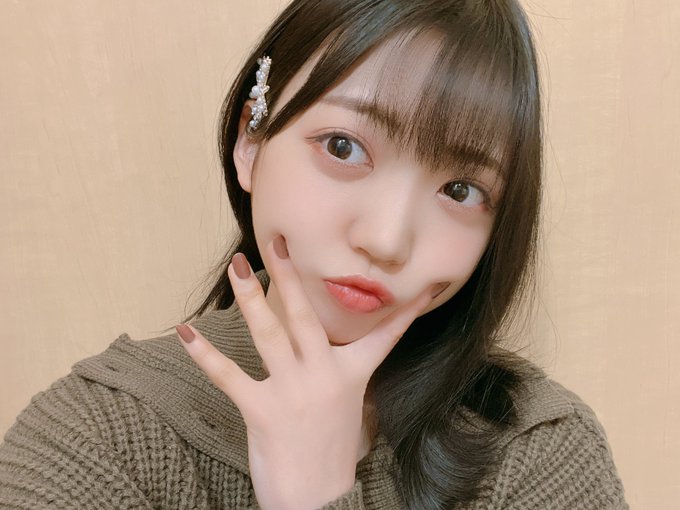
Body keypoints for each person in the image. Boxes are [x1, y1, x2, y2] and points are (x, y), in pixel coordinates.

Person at [0, 0, 628, 508]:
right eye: (343, 148)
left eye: (460, 190)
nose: (386, 240)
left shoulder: (537, 450)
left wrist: (318, 497)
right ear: (251, 142)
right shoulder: (99, 433)